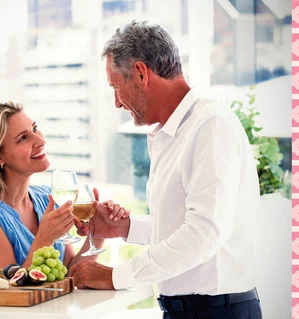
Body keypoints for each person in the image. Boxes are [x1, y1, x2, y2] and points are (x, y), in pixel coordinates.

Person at [70, 21, 262, 318]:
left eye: (115, 87)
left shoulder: (210, 125)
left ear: (141, 73)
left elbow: (203, 234)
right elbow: (183, 224)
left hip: (217, 312)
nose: (117, 103)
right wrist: (124, 227)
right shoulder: (169, 134)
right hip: (186, 311)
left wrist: (114, 277)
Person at [0, 102, 129, 272]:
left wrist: (98, 235)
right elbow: (7, 296)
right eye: (23, 138)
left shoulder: (46, 199)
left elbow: (70, 275)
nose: (41, 141)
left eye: (35, 129)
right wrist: (45, 239)